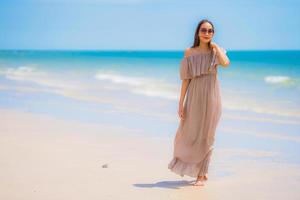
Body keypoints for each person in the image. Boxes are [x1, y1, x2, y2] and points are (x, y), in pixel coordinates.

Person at [168, 19, 230, 186]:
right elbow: (186, 80)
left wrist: (216, 47)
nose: (207, 33)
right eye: (204, 30)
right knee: (188, 133)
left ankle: (202, 174)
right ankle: (188, 165)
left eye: (210, 31)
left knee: (207, 135)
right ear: (197, 32)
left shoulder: (215, 52)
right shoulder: (189, 52)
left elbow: (226, 63)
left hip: (212, 97)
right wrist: (181, 103)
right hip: (194, 96)